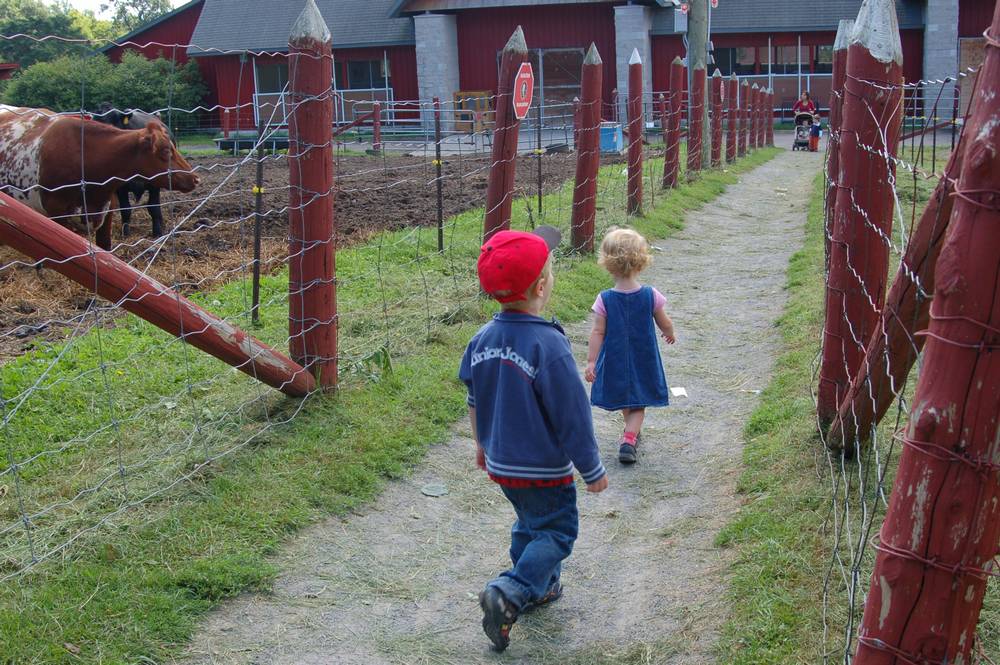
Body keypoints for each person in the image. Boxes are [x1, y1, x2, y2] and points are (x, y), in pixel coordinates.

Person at [460, 225, 608, 653]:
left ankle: (540, 586)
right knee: (557, 531)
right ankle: (511, 590)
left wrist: (480, 444)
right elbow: (572, 416)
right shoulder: (549, 345)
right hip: (542, 467)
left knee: (530, 521)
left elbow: (474, 398)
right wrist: (592, 468)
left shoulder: (481, 339)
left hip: (502, 463)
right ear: (542, 287)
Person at [585, 228, 676, 464]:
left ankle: (631, 431)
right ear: (641, 261)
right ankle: (629, 438)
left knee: (627, 398)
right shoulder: (650, 295)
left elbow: (598, 331)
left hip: (614, 359)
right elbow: (664, 322)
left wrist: (592, 361)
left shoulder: (604, 299)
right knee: (638, 401)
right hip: (643, 358)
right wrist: (669, 333)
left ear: (607, 263)